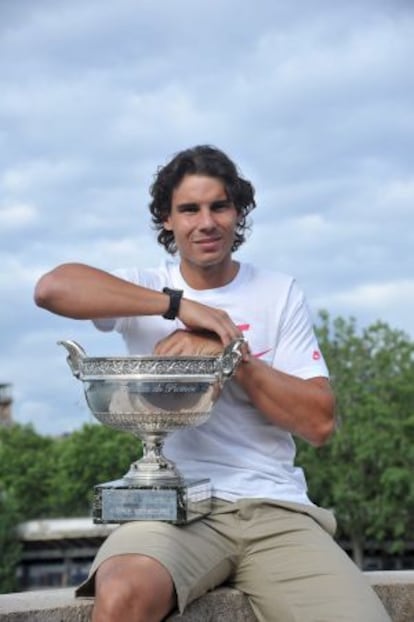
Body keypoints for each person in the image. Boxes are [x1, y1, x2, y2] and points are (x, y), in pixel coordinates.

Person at [34, 145, 390, 622]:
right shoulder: (144, 287)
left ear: (238, 213)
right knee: (121, 598)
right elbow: (52, 288)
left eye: (219, 206)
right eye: (189, 209)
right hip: (169, 513)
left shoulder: (278, 292)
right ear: (166, 219)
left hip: (273, 508)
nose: (206, 222)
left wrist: (231, 354)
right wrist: (178, 307)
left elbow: (320, 423)